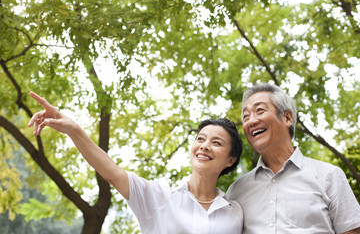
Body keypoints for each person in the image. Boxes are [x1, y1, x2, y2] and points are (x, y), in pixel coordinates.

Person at [28, 91, 243, 234]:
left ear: (230, 160)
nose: (205, 146)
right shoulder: (160, 196)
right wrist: (74, 130)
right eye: (201, 139)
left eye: (216, 143)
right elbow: (112, 172)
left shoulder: (234, 212)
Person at [227, 83, 360, 234]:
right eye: (246, 116)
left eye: (260, 110)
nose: (251, 121)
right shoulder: (236, 191)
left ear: (287, 117)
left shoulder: (329, 176)